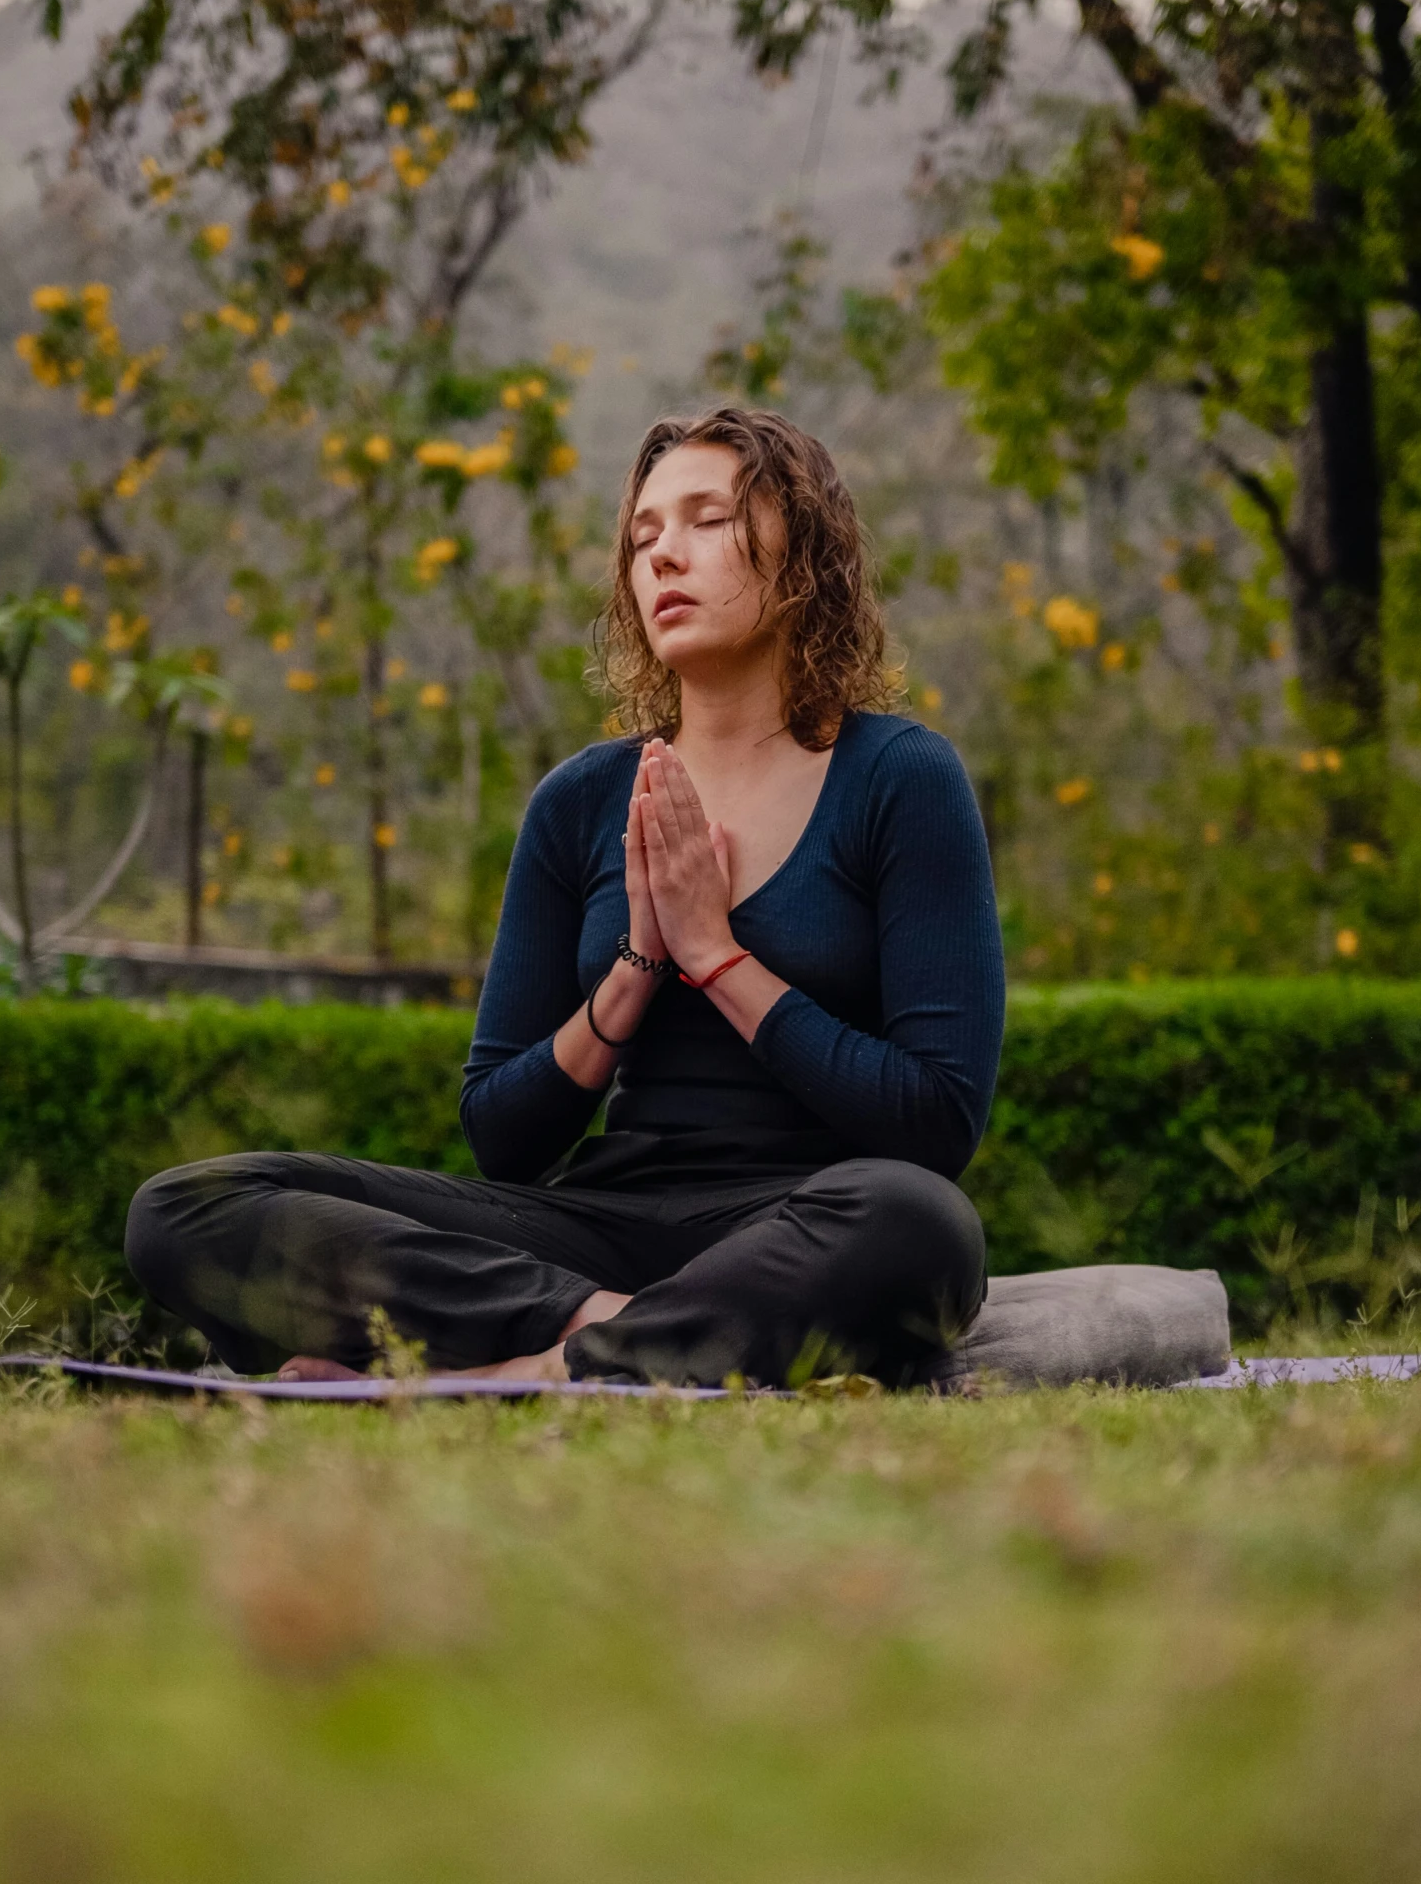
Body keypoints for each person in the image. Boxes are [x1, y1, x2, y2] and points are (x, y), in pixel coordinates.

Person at [125, 406, 1005, 1388]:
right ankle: (603, 1341)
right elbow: (503, 1137)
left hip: (800, 1224)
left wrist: (714, 955)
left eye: (706, 520)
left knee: (919, 1228)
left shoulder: (899, 779)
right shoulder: (582, 800)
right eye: (642, 535)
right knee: (188, 1208)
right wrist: (633, 972)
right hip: (595, 1234)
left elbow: (934, 1123)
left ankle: (503, 1365)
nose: (663, 554)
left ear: (802, 552)